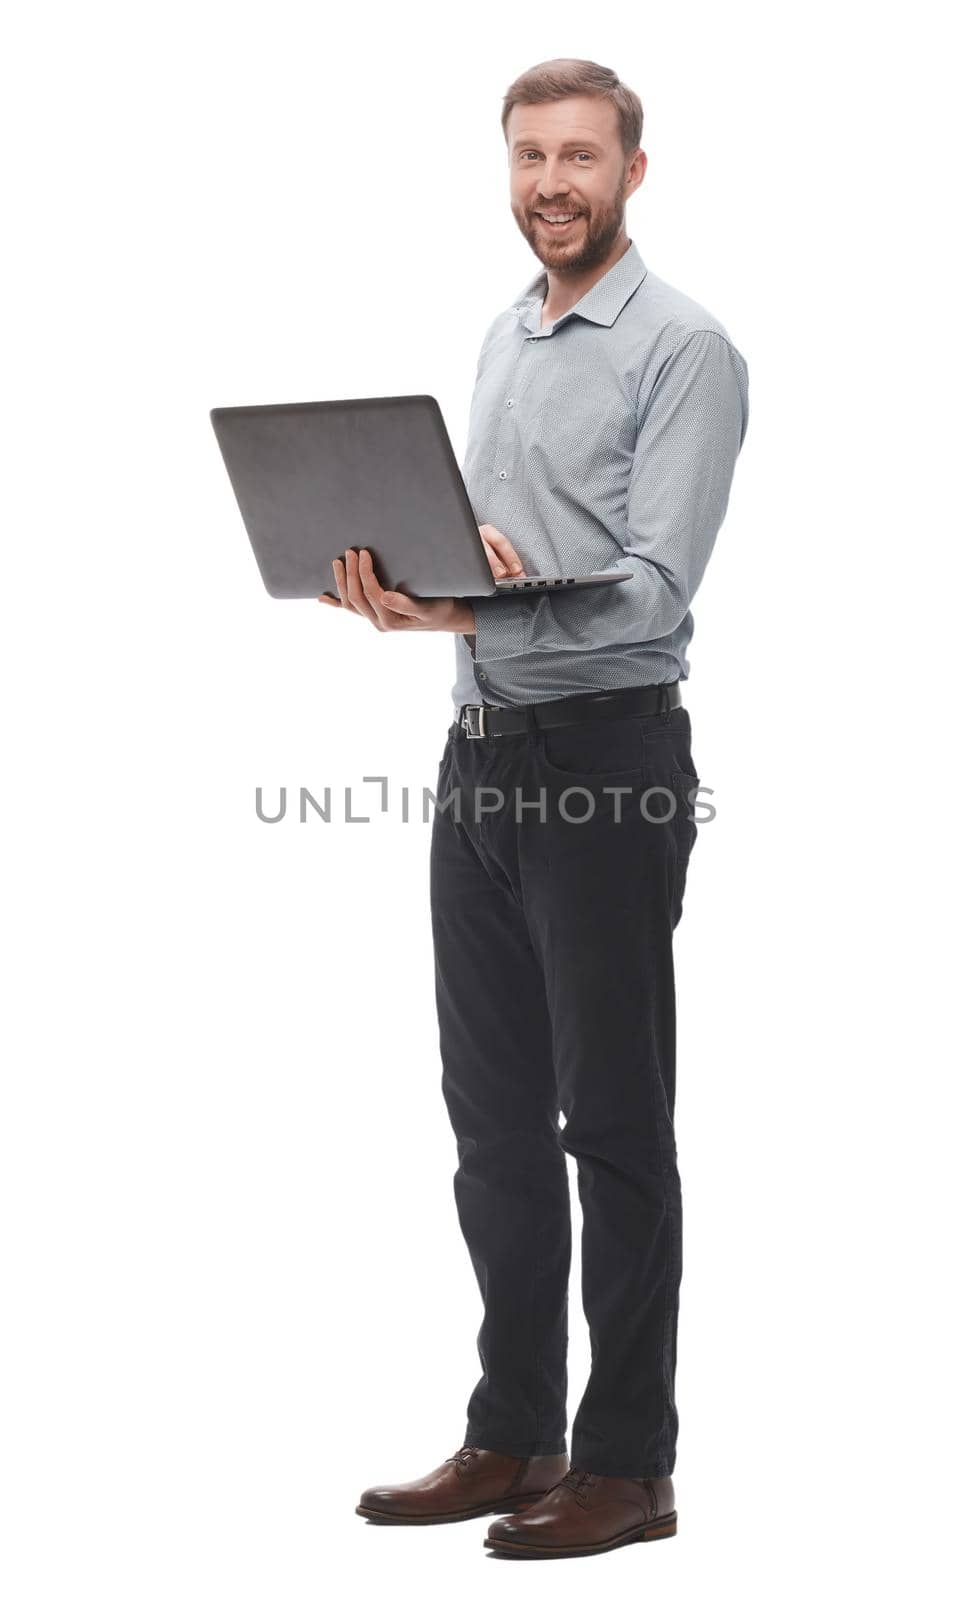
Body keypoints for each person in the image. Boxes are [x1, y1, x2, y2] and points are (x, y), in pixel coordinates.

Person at [320, 57, 749, 1560]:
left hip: (609, 764)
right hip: (481, 763)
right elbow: (494, 556)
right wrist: (410, 581)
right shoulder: (507, 334)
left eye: (578, 156)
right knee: (491, 1122)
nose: (550, 183)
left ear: (635, 170)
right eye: (527, 158)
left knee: (613, 1123)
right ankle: (513, 1431)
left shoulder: (687, 351)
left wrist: (461, 615)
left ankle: (630, 1464)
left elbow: (651, 590)